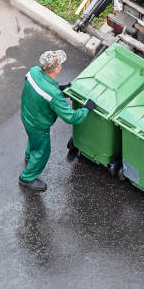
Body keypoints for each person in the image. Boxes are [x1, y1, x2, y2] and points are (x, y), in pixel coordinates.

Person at [19, 50, 95, 192]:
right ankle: (27, 178)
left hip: (26, 115)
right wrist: (86, 109)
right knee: (42, 151)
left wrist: (59, 88)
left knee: (33, 139)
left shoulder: (33, 71)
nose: (61, 65)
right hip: (39, 125)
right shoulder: (53, 95)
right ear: (56, 69)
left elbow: (40, 89)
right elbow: (71, 117)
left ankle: (29, 157)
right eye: (60, 63)